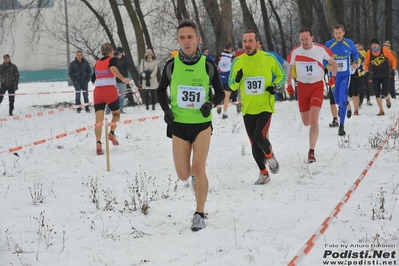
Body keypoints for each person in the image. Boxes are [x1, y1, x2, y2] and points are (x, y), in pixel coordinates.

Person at [157, 19, 224, 231]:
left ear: (198, 39)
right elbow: (160, 91)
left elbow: (220, 93)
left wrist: (210, 103)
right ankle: (196, 182)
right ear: (178, 40)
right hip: (179, 124)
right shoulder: (171, 65)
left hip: (201, 124)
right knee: (184, 174)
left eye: (190, 37)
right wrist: (166, 111)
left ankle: (199, 212)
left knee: (198, 168)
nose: (186, 42)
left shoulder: (207, 64)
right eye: (182, 38)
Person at [229, 30, 286, 185]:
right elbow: (231, 85)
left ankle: (270, 155)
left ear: (257, 43)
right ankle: (263, 173)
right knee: (253, 142)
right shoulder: (238, 62)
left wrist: (275, 86)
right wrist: (237, 79)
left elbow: (282, 76)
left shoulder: (268, 58)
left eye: (250, 41)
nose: (247, 45)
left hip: (265, 105)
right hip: (248, 108)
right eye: (244, 42)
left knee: (260, 136)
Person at [287, 27, 338, 163]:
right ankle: (310, 129)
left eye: (306, 39)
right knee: (306, 122)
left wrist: (333, 76)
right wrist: (289, 84)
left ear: (312, 38)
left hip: (317, 86)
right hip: (302, 87)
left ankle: (311, 152)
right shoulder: (295, 52)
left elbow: (333, 63)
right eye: (302, 39)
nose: (304, 42)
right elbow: (289, 69)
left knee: (314, 120)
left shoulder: (321, 50)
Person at [91, 43, 130, 155]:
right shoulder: (112, 60)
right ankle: (111, 133)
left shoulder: (97, 63)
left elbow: (93, 79)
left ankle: (98, 143)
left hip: (98, 92)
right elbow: (112, 68)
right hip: (109, 91)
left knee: (98, 121)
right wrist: (122, 78)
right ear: (111, 51)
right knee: (116, 114)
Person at [324, 24, 358, 136]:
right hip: (333, 77)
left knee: (342, 99)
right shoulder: (329, 44)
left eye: (340, 33)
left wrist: (355, 62)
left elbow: (355, 53)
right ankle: (347, 104)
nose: (338, 35)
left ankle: (341, 126)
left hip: (345, 75)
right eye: (336, 33)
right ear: (333, 34)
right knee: (337, 100)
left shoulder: (349, 43)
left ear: (343, 33)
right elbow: (323, 58)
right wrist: (327, 66)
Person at [364, 38, 397, 116]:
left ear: (378, 45)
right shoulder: (369, 53)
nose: (374, 46)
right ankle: (381, 110)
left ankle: (387, 98)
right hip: (375, 75)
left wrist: (393, 69)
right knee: (377, 93)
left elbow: (393, 60)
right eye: (372, 44)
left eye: (375, 44)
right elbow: (366, 64)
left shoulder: (384, 50)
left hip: (385, 74)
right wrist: (366, 71)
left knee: (385, 91)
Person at [106, 47, 132, 114]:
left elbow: (128, 65)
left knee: (122, 96)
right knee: (111, 95)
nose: (119, 54)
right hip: (114, 80)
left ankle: (121, 109)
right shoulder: (113, 59)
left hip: (123, 80)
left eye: (120, 52)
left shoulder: (125, 58)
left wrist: (123, 60)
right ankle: (108, 110)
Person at [215, 42, 237, 118]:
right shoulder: (232, 58)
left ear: (224, 48)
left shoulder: (219, 57)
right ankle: (224, 113)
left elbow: (215, 66)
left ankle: (219, 106)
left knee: (219, 94)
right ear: (230, 49)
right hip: (228, 79)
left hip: (219, 78)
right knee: (227, 96)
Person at [355, 42, 372, 107]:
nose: (357, 47)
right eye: (356, 47)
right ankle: (359, 101)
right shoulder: (355, 53)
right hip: (357, 72)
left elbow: (366, 59)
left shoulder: (364, 53)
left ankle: (367, 99)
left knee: (365, 85)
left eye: (358, 46)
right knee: (359, 87)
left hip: (364, 72)